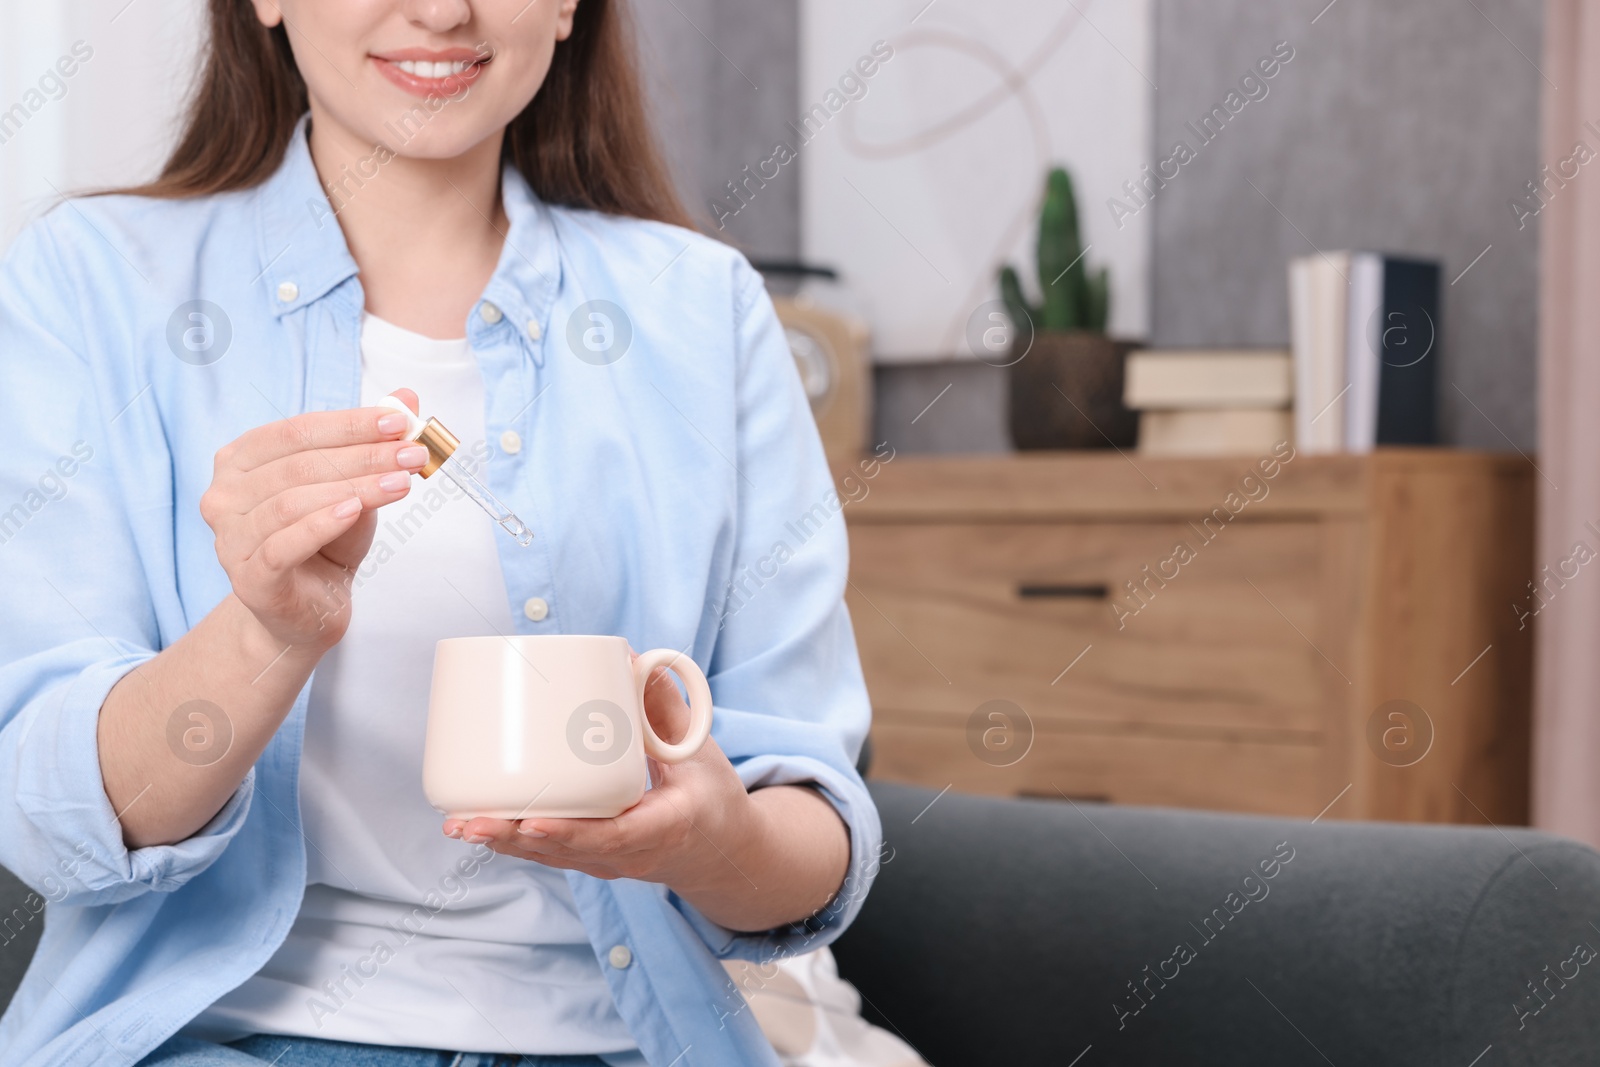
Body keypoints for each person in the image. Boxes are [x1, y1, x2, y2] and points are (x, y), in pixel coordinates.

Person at [0, 1, 880, 1065]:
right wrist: (268, 632)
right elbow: (50, 822)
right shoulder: (87, 285)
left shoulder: (705, 311)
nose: (440, 9)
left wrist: (714, 836)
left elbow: (816, 828)